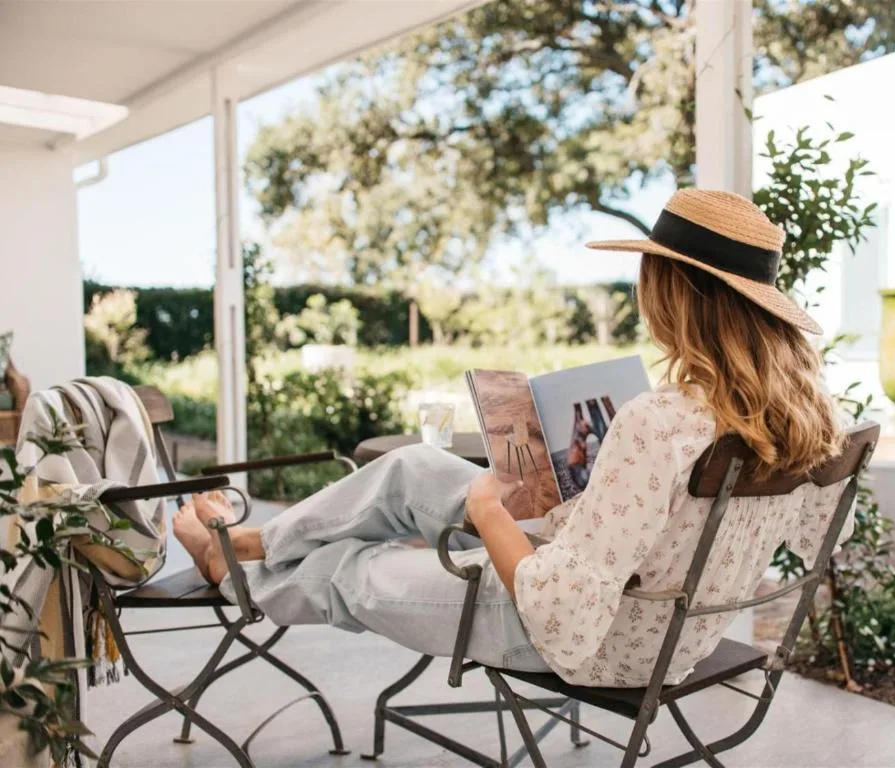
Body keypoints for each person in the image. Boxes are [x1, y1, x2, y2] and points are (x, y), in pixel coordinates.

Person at [173, 189, 851, 688]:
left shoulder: (662, 422)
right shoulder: (815, 422)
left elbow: (560, 611)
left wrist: (488, 512)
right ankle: (254, 542)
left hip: (603, 641)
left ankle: (227, 567)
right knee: (412, 469)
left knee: (353, 567)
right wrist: (598, 501)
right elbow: (820, 540)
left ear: (673, 293)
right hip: (671, 626)